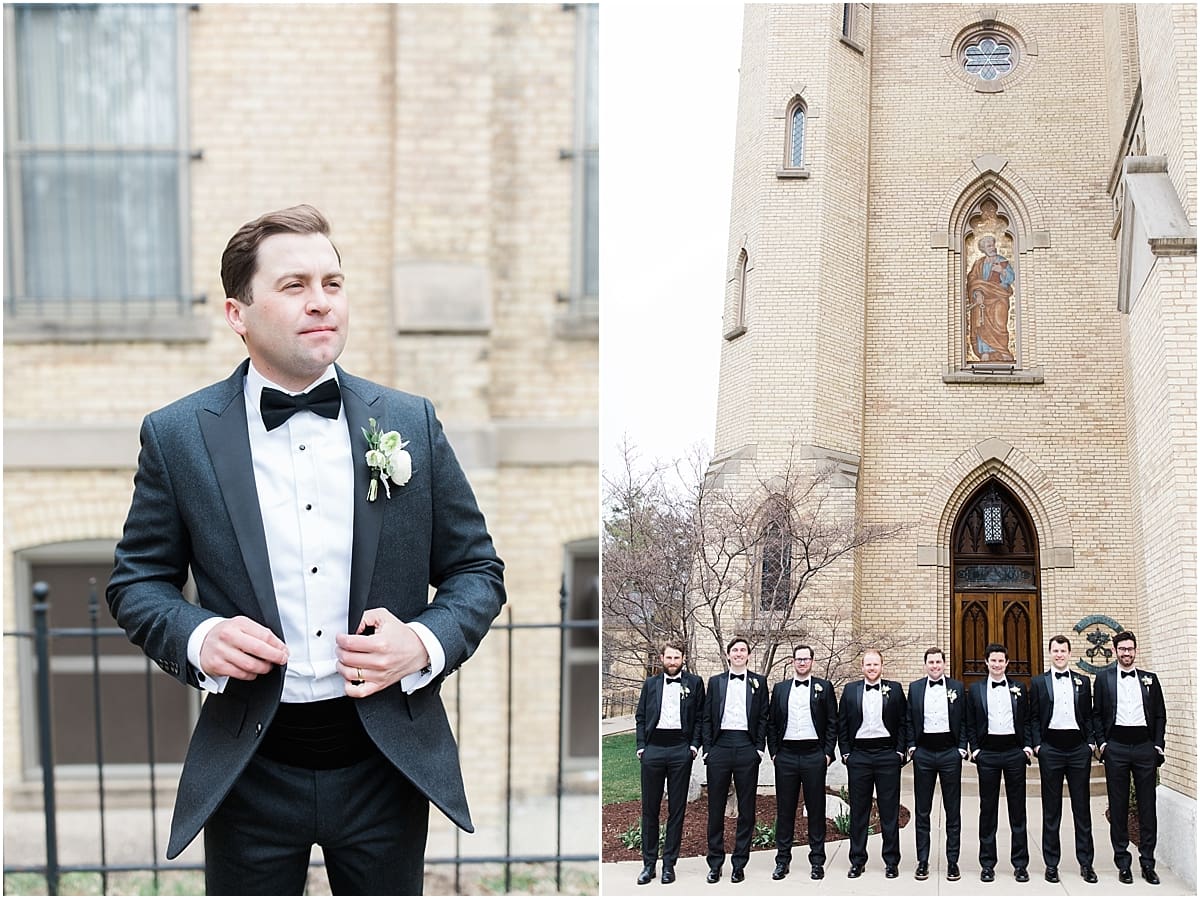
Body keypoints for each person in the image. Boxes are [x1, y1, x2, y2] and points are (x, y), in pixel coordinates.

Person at [107, 205, 506, 895]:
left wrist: (422, 642)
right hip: (251, 767)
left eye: (333, 282)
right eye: (294, 286)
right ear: (239, 313)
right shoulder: (177, 437)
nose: (321, 301)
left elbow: (478, 571)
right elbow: (136, 583)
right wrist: (199, 636)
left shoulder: (409, 421)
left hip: (384, 764)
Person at [1093, 630, 1167, 885]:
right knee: (1119, 806)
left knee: (1147, 807)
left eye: (1130, 649)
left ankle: (1148, 862)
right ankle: (1123, 863)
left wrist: (1158, 746)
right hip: (1117, 748)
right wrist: (1103, 744)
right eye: (1122, 649)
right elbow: (1097, 715)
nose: (1126, 653)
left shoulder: (1150, 679)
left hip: (1145, 747)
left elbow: (1159, 715)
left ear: (1135, 650)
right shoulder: (1103, 679)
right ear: (1114, 651)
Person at [634, 640, 705, 886]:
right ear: (661, 659)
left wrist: (693, 747)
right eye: (669, 658)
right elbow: (641, 716)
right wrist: (641, 747)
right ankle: (648, 864)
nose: (672, 662)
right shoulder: (650, 684)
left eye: (676, 658)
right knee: (650, 810)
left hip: (680, 749)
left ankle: (669, 865)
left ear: (683, 659)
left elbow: (699, 718)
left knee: (677, 810)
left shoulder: (694, 683)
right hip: (653, 748)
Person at [766, 644, 837, 881]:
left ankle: (817, 861)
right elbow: (772, 723)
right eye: (798, 659)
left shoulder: (823, 687)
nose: (802, 663)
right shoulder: (780, 689)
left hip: (813, 755)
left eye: (806, 659)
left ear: (812, 662)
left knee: (816, 811)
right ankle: (782, 861)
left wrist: (827, 754)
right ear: (792, 662)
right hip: (785, 755)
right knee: (785, 811)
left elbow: (831, 723)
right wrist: (775, 753)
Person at [701, 636, 769, 884]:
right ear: (728, 655)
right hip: (719, 747)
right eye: (735, 650)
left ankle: (739, 863)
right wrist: (708, 749)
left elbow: (763, 717)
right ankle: (715, 863)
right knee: (716, 808)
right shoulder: (715, 682)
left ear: (748, 655)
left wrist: (758, 749)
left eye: (743, 650)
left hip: (746, 747)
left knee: (747, 809)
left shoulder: (759, 682)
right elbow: (707, 717)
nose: (739, 653)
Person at [1031, 635, 1099, 884]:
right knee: (1052, 809)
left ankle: (1086, 863)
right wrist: (1039, 745)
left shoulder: (1083, 681)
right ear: (1049, 653)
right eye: (1055, 651)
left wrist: (1090, 742)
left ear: (1069, 653)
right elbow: (1033, 717)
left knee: (1082, 808)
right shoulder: (1039, 682)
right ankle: (1051, 863)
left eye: (1063, 650)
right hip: (1051, 749)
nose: (1059, 654)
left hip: (1078, 749)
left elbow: (1089, 715)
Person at [965, 642, 1034, 883]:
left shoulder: (1019, 688)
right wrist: (976, 750)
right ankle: (987, 863)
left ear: (1007, 663)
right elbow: (970, 722)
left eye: (1000, 661)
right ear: (986, 662)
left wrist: (1026, 747)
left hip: (1014, 752)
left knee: (1018, 811)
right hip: (988, 754)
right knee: (988, 810)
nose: (996, 664)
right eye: (992, 660)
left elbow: (1026, 720)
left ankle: (1020, 864)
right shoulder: (975, 690)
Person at [837, 648, 907, 880]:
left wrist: (899, 752)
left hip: (887, 754)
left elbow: (904, 722)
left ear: (882, 666)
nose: (872, 668)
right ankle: (857, 860)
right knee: (859, 811)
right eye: (868, 664)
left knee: (889, 811)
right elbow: (842, 724)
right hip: (859, 756)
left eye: (875, 664)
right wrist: (846, 753)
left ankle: (891, 861)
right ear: (862, 667)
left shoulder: (894, 689)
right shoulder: (850, 690)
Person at [905, 647, 967, 882]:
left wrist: (961, 749)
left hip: (950, 753)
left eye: (938, 662)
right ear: (925, 664)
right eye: (930, 662)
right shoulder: (915, 688)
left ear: (944, 664)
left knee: (953, 811)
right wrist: (912, 747)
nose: (934, 666)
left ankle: (953, 862)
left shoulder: (957, 688)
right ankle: (923, 861)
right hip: (924, 754)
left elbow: (964, 719)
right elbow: (909, 719)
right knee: (923, 810)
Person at [966, 234, 1016, 363]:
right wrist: (977, 293)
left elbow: (1011, 278)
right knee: (983, 323)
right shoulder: (979, 263)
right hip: (982, 299)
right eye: (989, 245)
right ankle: (985, 352)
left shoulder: (1002, 261)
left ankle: (1002, 350)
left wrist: (1002, 271)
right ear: (983, 248)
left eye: (993, 244)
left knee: (999, 323)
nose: (992, 248)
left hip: (999, 296)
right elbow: (972, 280)